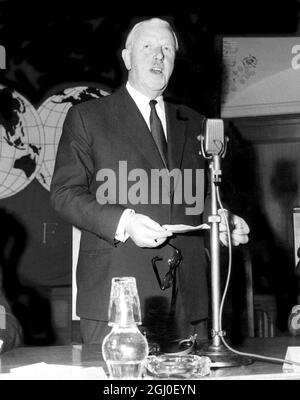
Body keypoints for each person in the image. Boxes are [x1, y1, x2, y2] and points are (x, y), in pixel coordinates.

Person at [50, 18, 249, 348]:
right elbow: (64, 194)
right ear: (127, 58)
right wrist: (124, 221)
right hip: (117, 302)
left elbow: (198, 199)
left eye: (166, 49)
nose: (158, 56)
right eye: (148, 47)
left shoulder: (195, 121)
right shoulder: (87, 117)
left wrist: (221, 221)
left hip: (188, 302)